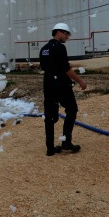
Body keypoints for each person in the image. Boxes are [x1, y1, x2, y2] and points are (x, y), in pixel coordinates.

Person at [39, 23, 87, 157]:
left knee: (50, 117)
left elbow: (44, 67)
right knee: (72, 109)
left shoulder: (44, 49)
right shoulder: (60, 47)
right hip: (61, 85)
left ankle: (50, 149)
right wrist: (80, 81)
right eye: (66, 34)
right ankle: (66, 142)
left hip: (48, 85)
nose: (67, 37)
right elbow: (66, 69)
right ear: (58, 32)